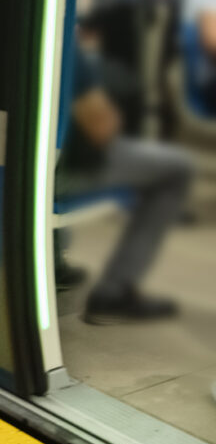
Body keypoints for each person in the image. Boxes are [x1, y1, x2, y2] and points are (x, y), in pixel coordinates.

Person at [55, 42, 193, 324]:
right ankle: (113, 293)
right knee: (177, 168)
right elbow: (102, 126)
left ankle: (55, 262)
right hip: (59, 174)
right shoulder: (64, 43)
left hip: (3, 164)